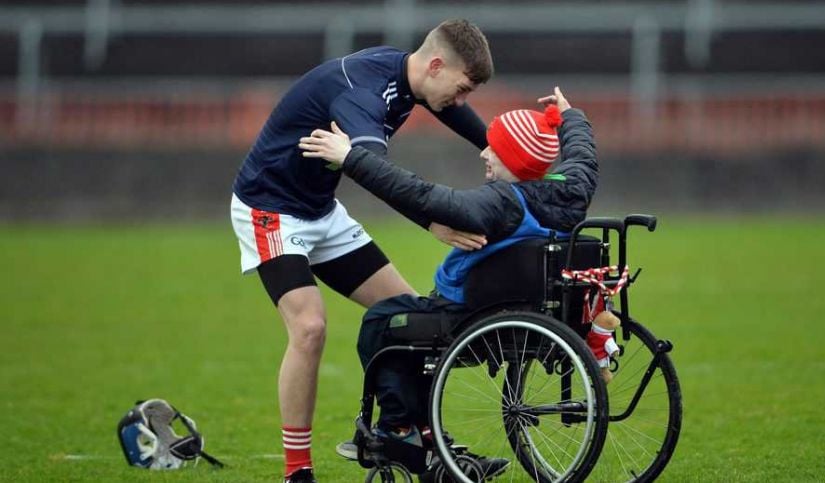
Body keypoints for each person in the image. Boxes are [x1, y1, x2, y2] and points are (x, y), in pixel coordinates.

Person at [229, 19, 493, 483]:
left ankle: (417, 442)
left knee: (411, 321)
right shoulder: (363, 97)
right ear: (436, 65)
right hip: (269, 209)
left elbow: (449, 109)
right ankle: (298, 472)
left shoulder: (406, 74)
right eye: (463, 87)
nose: (463, 99)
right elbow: (372, 172)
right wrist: (432, 221)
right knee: (309, 328)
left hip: (320, 211)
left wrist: (501, 146)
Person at [299, 86, 598, 475]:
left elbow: (425, 197)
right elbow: (583, 158)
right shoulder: (569, 190)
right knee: (402, 321)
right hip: (533, 313)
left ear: (512, 159)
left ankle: (400, 429)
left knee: (382, 322)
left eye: (493, 148)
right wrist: (569, 117)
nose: (484, 153)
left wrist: (350, 157)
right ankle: (426, 432)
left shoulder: (500, 202)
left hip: (471, 316)